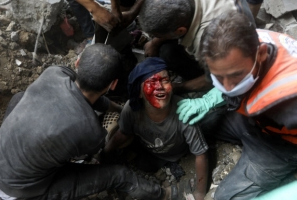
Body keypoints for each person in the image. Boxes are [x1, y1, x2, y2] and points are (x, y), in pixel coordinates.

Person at [0, 44, 168, 200]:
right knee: (119, 175)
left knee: (19, 97)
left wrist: (120, 110)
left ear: (77, 63)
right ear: (113, 84)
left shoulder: (55, 73)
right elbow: (92, 152)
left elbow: (90, 96)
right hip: (21, 190)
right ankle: (165, 194)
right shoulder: (91, 131)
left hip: (5, 159)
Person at [177, 11, 297, 199]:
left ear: (262, 53)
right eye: (219, 76)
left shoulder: (290, 101)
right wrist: (207, 100)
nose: (226, 87)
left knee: (224, 197)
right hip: (253, 121)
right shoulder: (240, 41)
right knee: (197, 124)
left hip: (280, 145)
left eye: (235, 76)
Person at [104, 57, 209, 200]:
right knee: (142, 165)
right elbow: (123, 133)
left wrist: (200, 192)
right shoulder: (132, 110)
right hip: (151, 152)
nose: (159, 86)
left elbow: (200, 154)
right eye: (151, 83)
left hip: (178, 153)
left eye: (165, 80)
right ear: (139, 93)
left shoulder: (184, 113)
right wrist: (105, 152)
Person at [138, 0, 255, 94]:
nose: (154, 38)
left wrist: (180, 87)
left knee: (168, 53)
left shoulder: (211, 44)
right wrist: (155, 42)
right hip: (235, 12)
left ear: (180, 30)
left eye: (156, 35)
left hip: (233, 55)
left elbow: (211, 80)